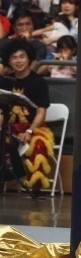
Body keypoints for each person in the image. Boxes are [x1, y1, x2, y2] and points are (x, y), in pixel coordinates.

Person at [0, 42, 52, 192]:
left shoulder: (39, 82)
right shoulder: (5, 81)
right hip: (9, 127)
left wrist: (30, 131)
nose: (18, 61)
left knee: (39, 144)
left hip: (33, 127)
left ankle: (36, 187)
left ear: (29, 59)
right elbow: (1, 111)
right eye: (14, 57)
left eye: (22, 56)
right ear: (9, 61)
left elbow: (42, 112)